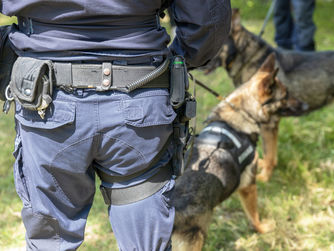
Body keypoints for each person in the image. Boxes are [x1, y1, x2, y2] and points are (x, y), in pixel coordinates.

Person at [1, 0, 231, 250]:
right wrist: (179, 59)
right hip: (140, 100)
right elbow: (208, 18)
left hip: (47, 105)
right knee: (146, 240)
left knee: (49, 242)